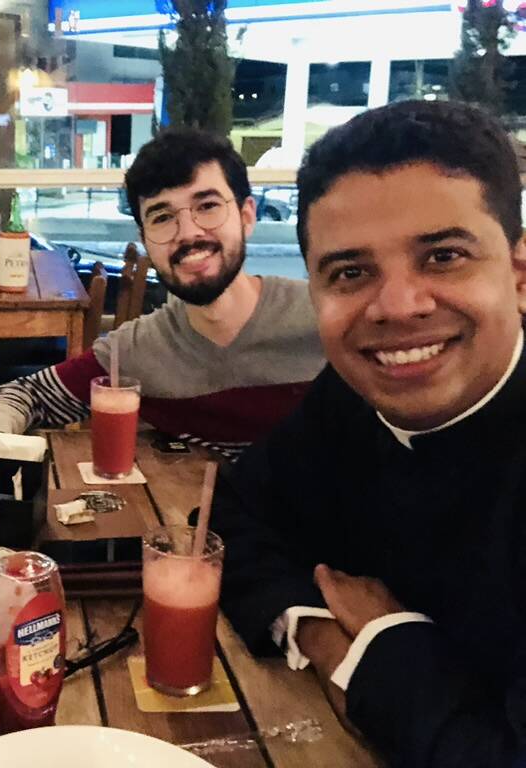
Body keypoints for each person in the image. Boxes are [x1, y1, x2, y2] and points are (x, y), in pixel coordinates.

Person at [213, 99, 526, 766]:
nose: (397, 308)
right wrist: (326, 636)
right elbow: (230, 514)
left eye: (443, 256)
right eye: (351, 273)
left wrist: (382, 648)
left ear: (519, 275)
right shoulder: (355, 394)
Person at [0, 127, 324, 458]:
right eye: (162, 217)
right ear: (145, 240)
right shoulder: (141, 349)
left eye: (207, 206)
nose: (188, 233)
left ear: (246, 216)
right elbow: (23, 395)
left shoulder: (325, 320)